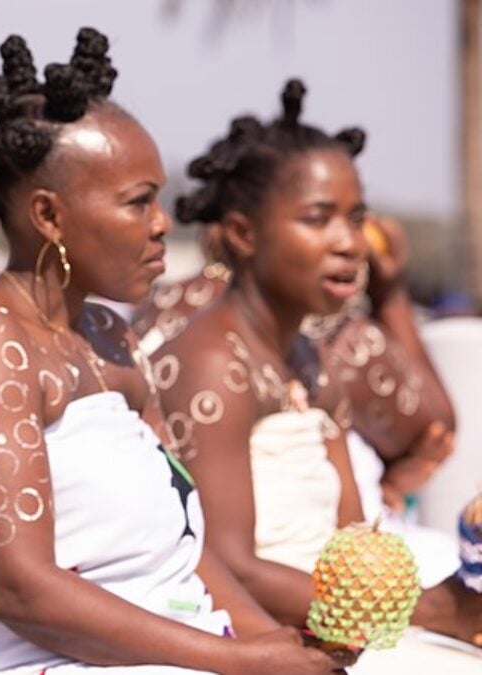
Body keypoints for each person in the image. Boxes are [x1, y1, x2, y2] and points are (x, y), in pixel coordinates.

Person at [0, 29, 344, 674]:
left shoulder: (105, 336)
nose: (160, 224)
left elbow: (182, 540)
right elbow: (17, 590)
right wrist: (237, 662)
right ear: (49, 216)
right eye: (137, 202)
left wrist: (270, 642)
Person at [155, 79, 481, 671]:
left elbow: (356, 538)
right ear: (243, 234)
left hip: (351, 619)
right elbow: (227, 562)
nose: (349, 243)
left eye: (356, 218)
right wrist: (431, 611)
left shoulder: (305, 354)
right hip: (273, 631)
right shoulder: (213, 362)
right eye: (318, 218)